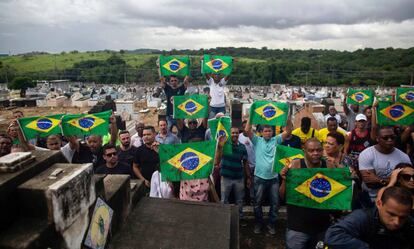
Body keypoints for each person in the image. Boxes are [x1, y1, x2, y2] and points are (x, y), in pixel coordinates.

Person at [280, 138, 333, 249]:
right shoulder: (295, 165)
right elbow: (283, 196)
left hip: (322, 227)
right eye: (311, 150)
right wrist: (285, 180)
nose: (315, 153)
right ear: (304, 151)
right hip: (298, 228)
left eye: (318, 150)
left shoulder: (329, 166)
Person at [245, 115, 292, 235]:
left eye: (270, 130)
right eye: (265, 131)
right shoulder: (256, 141)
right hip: (259, 178)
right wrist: (251, 114)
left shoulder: (276, 140)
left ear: (272, 132)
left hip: (274, 179)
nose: (268, 133)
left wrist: (286, 116)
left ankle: (271, 225)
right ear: (261, 132)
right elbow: (246, 131)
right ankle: (259, 224)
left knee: (275, 204)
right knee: (257, 203)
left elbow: (288, 131)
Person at [324, 186, 414, 249]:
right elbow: (333, 235)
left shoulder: (409, 223)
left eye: (402, 217)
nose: (397, 222)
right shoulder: (362, 217)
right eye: (391, 214)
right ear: (379, 204)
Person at [359, 126, 412, 204]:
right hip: (371, 198)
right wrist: (395, 180)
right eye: (385, 138)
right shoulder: (366, 154)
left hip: (396, 198)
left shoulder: (404, 157)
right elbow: (369, 183)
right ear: (377, 139)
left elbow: (407, 181)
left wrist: (379, 180)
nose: (390, 140)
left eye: (392, 137)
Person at [215, 127, 252, 219]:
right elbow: (217, 161)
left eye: (236, 133)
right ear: (229, 134)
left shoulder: (242, 147)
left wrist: (248, 177)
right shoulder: (224, 145)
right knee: (224, 200)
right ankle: (224, 219)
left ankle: (239, 218)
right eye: (232, 133)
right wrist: (220, 147)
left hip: (239, 178)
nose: (235, 134)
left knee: (239, 201)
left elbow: (245, 162)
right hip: (226, 178)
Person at [238, 120, 256, 203]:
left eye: (249, 126)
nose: (247, 128)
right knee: (244, 184)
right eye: (246, 126)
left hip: (254, 165)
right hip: (243, 165)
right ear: (243, 127)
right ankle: (245, 200)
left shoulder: (255, 137)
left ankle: (252, 200)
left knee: (253, 184)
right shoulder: (239, 137)